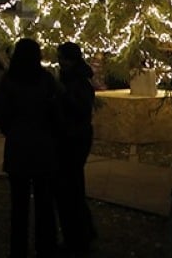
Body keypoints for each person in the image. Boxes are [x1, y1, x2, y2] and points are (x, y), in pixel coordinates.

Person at [0, 37, 64, 258]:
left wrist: (12, 130)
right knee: (44, 201)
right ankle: (46, 245)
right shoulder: (45, 79)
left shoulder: (9, 80)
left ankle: (18, 248)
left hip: (18, 144)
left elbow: (2, 112)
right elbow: (56, 111)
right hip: (43, 144)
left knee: (19, 203)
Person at [55, 41, 97, 256]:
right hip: (74, 136)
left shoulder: (77, 81)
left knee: (70, 188)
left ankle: (78, 236)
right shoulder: (76, 77)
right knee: (73, 187)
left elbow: (80, 108)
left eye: (62, 57)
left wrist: (63, 95)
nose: (59, 62)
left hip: (74, 137)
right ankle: (83, 232)